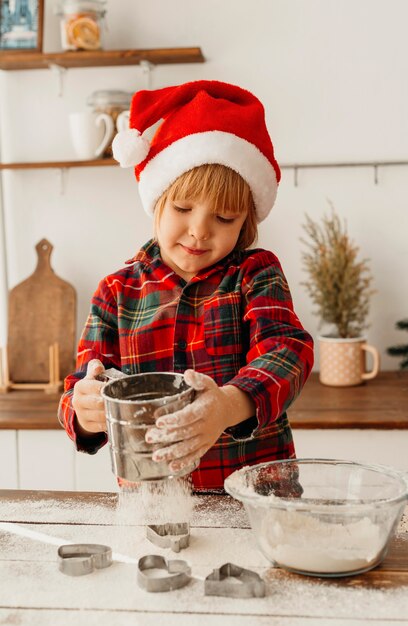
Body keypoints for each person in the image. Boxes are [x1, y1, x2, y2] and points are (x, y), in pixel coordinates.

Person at [58, 80, 314, 491]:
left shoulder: (255, 274)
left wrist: (228, 405)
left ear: (244, 223)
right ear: (157, 199)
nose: (199, 232)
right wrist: (83, 411)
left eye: (224, 219)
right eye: (182, 208)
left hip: (255, 499)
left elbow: (287, 352)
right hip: (152, 502)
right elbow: (83, 384)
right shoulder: (116, 292)